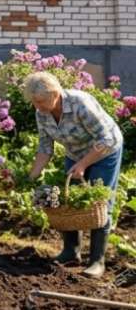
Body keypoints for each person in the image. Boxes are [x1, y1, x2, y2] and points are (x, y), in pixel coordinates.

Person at [25, 72, 123, 278]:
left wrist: (84, 164)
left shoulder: (80, 104)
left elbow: (106, 139)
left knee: (99, 202)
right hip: (75, 153)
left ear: (55, 94)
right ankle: (71, 252)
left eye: (40, 101)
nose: (37, 106)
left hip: (105, 151)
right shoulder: (41, 112)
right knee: (67, 198)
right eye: (34, 102)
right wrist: (31, 176)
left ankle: (97, 261)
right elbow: (45, 147)